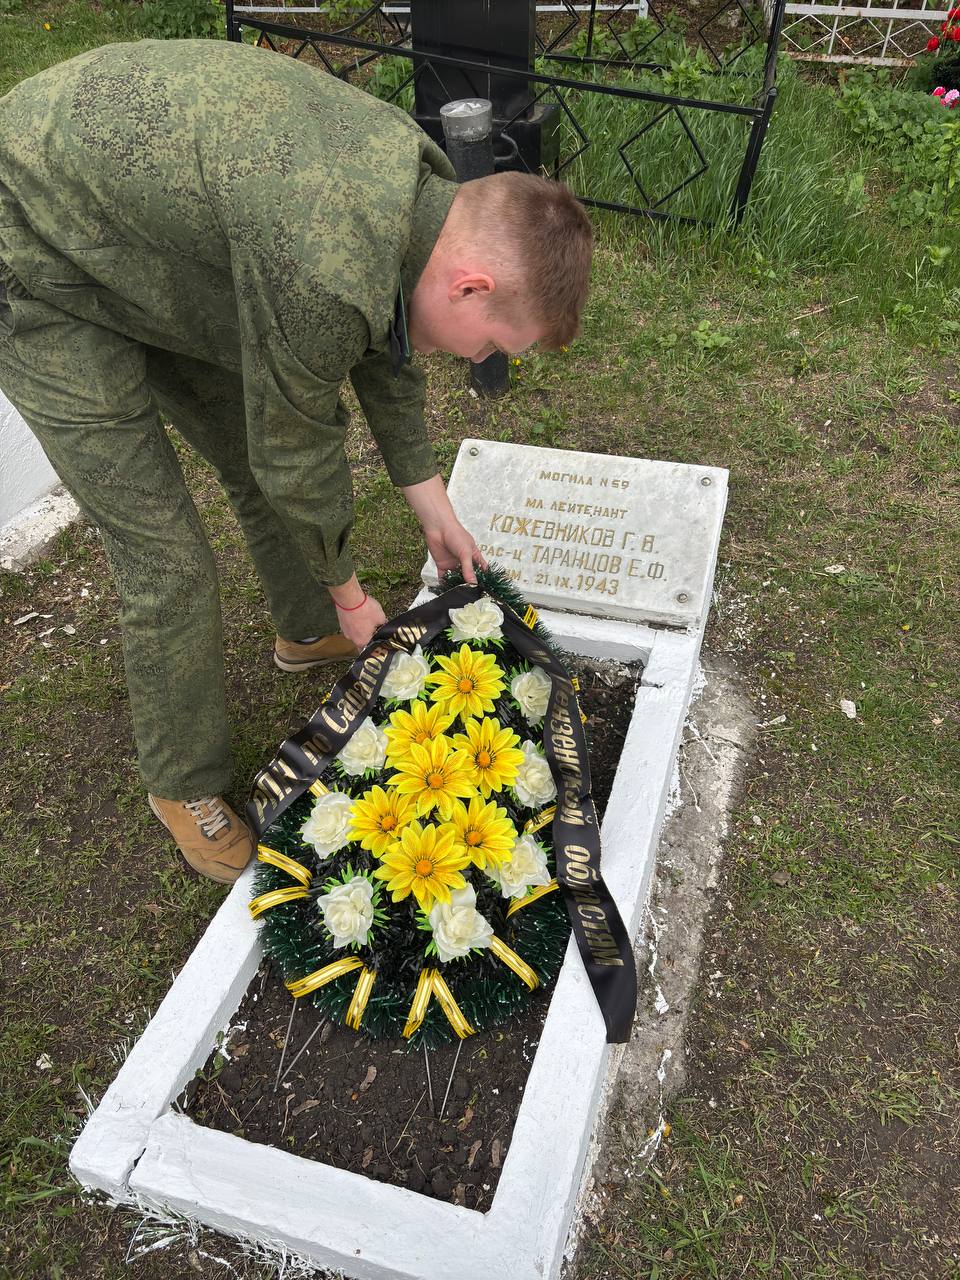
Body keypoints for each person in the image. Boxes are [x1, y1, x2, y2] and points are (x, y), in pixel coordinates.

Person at [0, 38, 593, 885]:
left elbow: (384, 335)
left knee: (245, 456)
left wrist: (432, 502)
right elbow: (297, 440)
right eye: (495, 345)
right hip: (32, 250)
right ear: (469, 286)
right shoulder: (322, 260)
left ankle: (302, 625)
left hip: (146, 236)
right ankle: (183, 784)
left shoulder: (417, 191)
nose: (480, 361)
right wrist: (354, 594)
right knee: (166, 560)